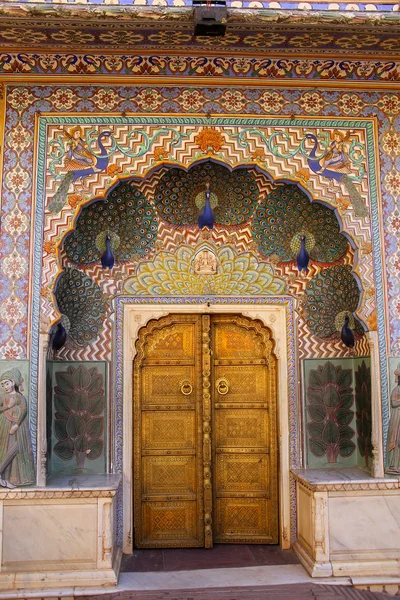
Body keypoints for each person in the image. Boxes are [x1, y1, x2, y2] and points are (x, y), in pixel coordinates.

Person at [0, 368, 35, 487]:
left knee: (17, 448)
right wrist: (6, 407)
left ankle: (8, 478)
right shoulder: (2, 397)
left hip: (19, 427)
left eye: (7, 383)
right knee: (6, 449)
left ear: (13, 383)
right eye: (2, 384)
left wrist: (16, 425)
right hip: (5, 425)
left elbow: (24, 410)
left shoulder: (19, 396)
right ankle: (4, 477)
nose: (5, 386)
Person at [387, 364, 400, 473]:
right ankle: (394, 465)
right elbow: (393, 403)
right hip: (397, 418)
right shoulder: (396, 390)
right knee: (396, 442)